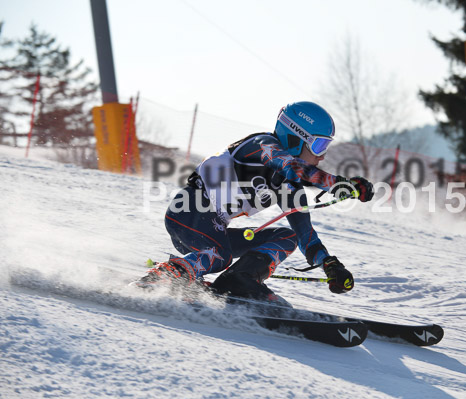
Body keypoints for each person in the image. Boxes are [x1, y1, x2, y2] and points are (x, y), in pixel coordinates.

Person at [133, 101, 374, 301]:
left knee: (286, 237)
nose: (322, 156)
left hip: (210, 230)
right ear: (296, 137)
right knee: (220, 254)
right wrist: (338, 184)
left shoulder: (288, 186)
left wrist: (330, 265)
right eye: (319, 144)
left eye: (326, 147)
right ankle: (167, 274)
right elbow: (289, 165)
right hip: (188, 212)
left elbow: (305, 235)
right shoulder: (262, 145)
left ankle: (239, 281)